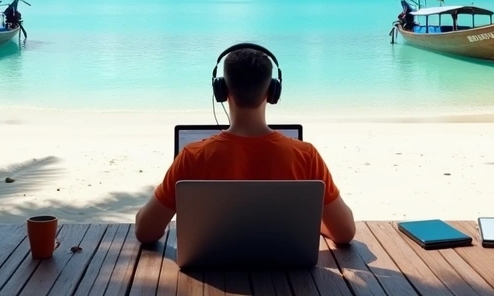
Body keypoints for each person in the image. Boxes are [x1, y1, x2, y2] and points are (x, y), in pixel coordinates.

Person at [134, 45, 357, 245]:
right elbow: (345, 233)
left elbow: (145, 232)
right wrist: (308, 223)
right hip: (287, 277)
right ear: (272, 92)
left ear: (222, 91)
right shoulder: (305, 155)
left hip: (211, 276)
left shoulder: (193, 156)